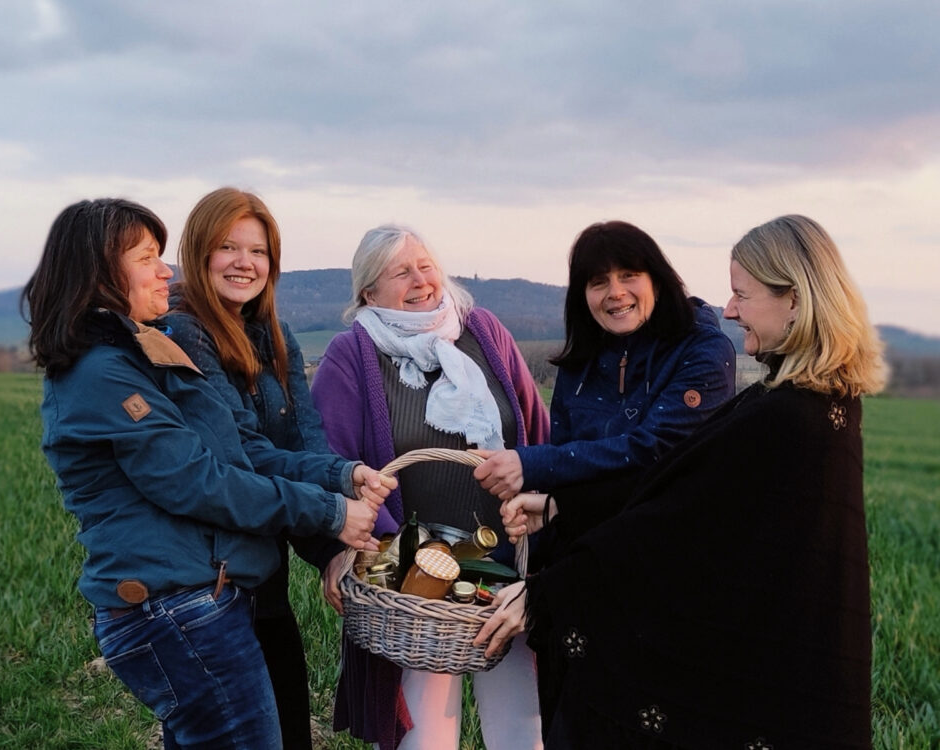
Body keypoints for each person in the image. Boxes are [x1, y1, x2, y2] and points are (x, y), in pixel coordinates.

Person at [476, 215, 888, 749]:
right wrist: (562, 507)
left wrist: (548, 591)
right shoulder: (819, 404)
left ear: (795, 299)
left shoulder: (790, 417)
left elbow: (678, 517)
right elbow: (688, 482)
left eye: (742, 294)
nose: (731, 309)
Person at [22, 198, 388, 749]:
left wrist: (340, 476)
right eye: (146, 258)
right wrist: (328, 512)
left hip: (204, 599)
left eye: (259, 251)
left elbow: (242, 451)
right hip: (174, 605)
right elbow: (195, 480)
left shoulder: (143, 352)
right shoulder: (105, 371)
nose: (164, 271)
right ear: (99, 270)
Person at [164, 187, 394, 750]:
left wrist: (334, 550)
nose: (245, 263)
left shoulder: (276, 335)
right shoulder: (183, 332)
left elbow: (307, 443)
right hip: (207, 582)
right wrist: (340, 491)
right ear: (198, 251)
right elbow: (238, 456)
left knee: (289, 729)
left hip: (262, 577)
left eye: (259, 251)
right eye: (228, 247)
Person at [310, 224, 551, 750]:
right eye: (401, 272)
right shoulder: (353, 355)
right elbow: (327, 462)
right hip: (412, 583)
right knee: (423, 738)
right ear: (369, 293)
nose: (420, 281)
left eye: (425, 265)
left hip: (507, 568)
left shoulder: (483, 331)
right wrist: (350, 549)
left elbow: (536, 430)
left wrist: (537, 498)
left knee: (525, 732)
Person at [473, 220, 736, 543]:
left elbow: (657, 451)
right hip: (589, 552)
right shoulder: (582, 362)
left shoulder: (701, 351)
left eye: (628, 275)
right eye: (599, 282)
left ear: (657, 280)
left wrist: (531, 464)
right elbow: (568, 481)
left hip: (672, 552)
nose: (615, 292)